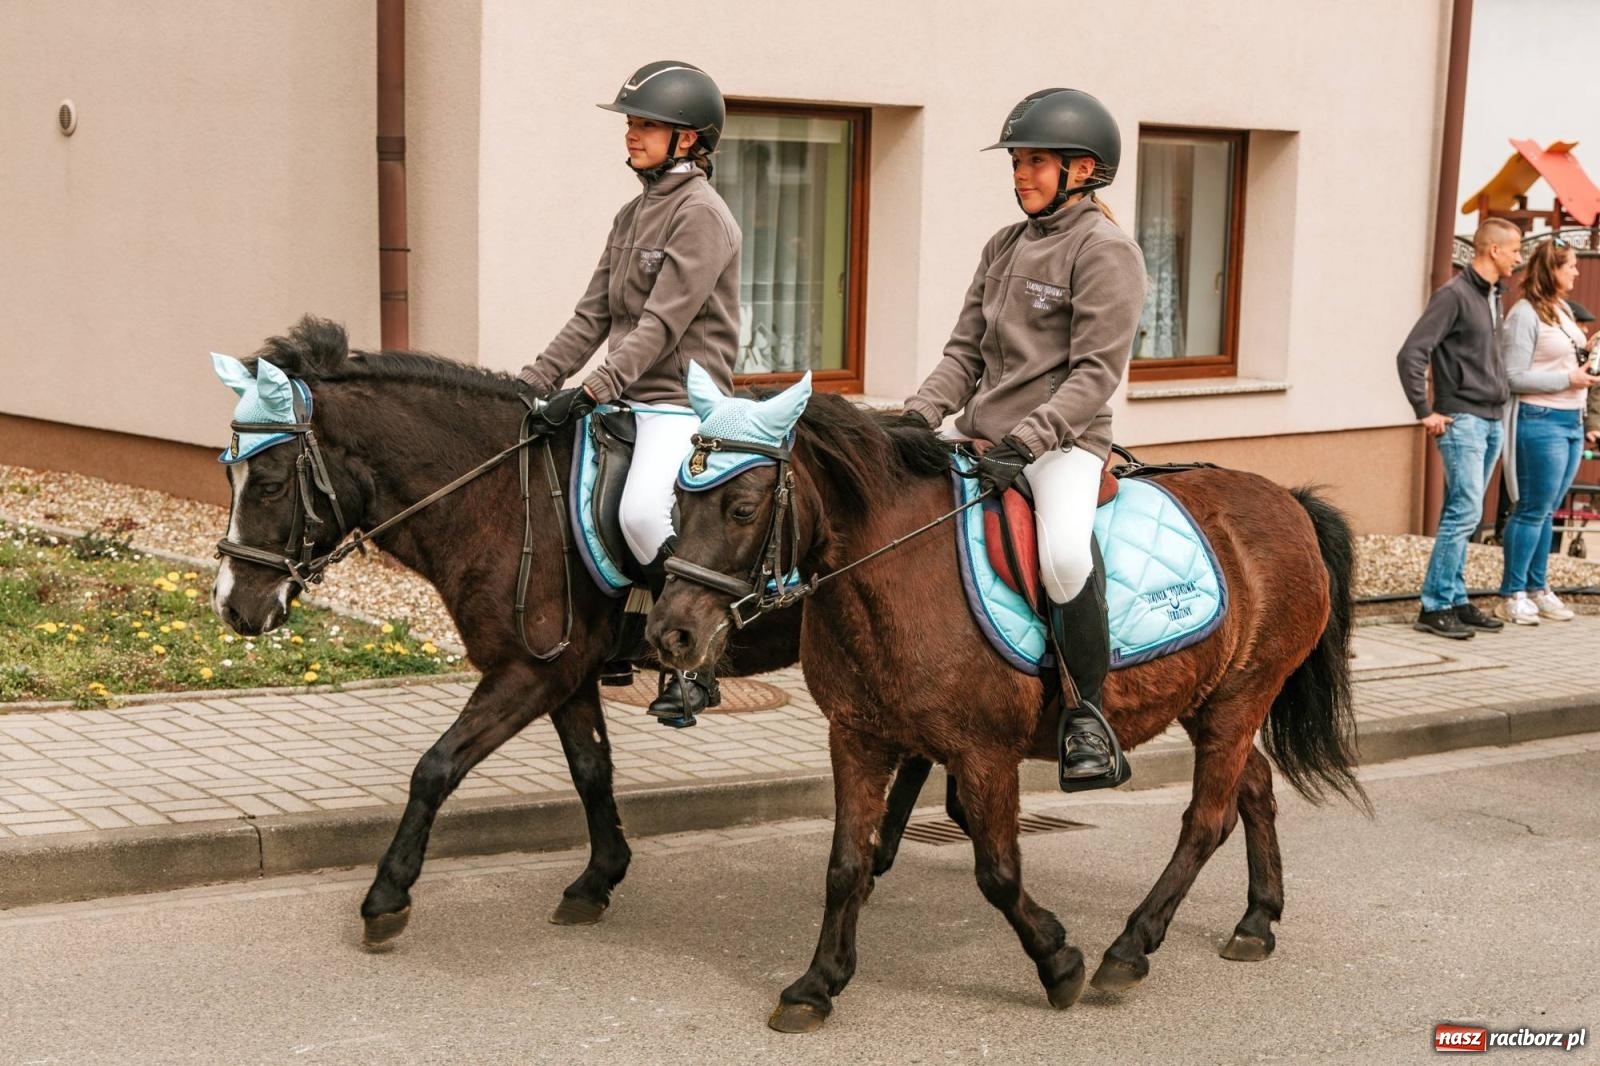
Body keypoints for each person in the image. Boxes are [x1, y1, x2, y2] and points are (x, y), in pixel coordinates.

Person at [901, 88, 1145, 792]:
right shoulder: (1003, 245)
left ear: (1084, 169)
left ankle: (1087, 718)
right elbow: (963, 354)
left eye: (1036, 162)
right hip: (983, 438)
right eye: (1016, 161)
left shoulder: (1106, 252)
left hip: (1063, 446)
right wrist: (918, 417)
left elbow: (1095, 374)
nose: (1020, 175)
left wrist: (1030, 440)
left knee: (1065, 555)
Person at [519, 60, 740, 722]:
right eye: (632, 123)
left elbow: (661, 325)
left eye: (648, 125)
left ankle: (696, 659)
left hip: (681, 398)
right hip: (624, 395)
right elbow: (593, 316)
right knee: (564, 502)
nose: (632, 135)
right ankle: (608, 637)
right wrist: (531, 382)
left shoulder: (703, 215)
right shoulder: (633, 212)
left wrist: (591, 391)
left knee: (643, 512)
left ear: (690, 140)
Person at [1396, 218, 1523, 639]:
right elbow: (1412, 352)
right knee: (1464, 511)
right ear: (1493, 250)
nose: (1519, 258)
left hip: (1490, 418)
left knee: (1467, 513)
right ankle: (1434, 607)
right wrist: (1424, 410)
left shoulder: (1492, 296)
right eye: (1515, 250)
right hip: (1461, 419)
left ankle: (1455, 597)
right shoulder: (1453, 295)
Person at [1493, 238, 1600, 624]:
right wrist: (1566, 377)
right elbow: (1513, 376)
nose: (1576, 271)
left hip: (1570, 420)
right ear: (1551, 270)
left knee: (1546, 510)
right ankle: (1512, 592)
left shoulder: (1560, 310)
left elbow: (1565, 361)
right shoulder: (1524, 315)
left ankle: (1538, 588)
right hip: (1539, 420)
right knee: (1531, 509)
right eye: (1570, 265)